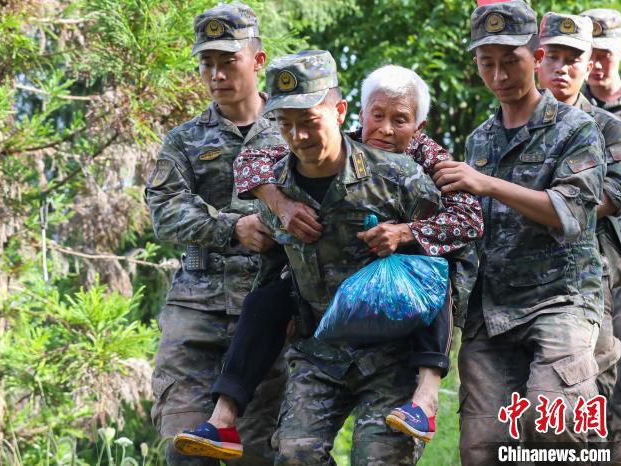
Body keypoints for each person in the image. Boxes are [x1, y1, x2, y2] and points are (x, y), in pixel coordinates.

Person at [173, 64, 481, 460]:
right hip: (324, 329)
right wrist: (279, 204)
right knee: (266, 299)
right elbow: (249, 163)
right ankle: (222, 417)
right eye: (378, 116)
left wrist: (405, 233)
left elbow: (468, 220)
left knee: (436, 269)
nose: (386, 129)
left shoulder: (423, 162)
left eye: (400, 120)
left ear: (418, 126)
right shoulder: (329, 148)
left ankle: (426, 394)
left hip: (405, 306)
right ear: (358, 113)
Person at [253, 49, 453, 465]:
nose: (299, 136)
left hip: (391, 356)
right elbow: (272, 265)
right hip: (318, 352)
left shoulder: (399, 175)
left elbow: (450, 256)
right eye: (285, 124)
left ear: (340, 112)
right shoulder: (274, 187)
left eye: (308, 121)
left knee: (379, 458)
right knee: (294, 455)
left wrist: (430, 369)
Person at [432, 2, 606, 464]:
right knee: (484, 450)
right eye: (488, 63)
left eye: (510, 60)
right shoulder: (478, 141)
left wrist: (485, 183)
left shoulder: (577, 128)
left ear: (536, 54)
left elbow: (570, 211)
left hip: (560, 302)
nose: (500, 74)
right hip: (491, 313)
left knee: (556, 429)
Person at [144, 3, 286, 465]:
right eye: (207, 63)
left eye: (229, 62)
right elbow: (164, 212)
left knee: (264, 452)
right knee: (185, 451)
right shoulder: (184, 141)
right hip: (196, 317)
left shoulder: (294, 132)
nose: (216, 75)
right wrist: (232, 227)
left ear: (258, 61)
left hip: (270, 317)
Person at [536, 7, 621, 406]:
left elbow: (612, 196)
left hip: (600, 271)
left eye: (573, 59)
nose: (562, 69)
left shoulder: (605, 126)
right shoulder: (507, 123)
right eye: (552, 57)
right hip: (524, 279)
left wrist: (554, 205)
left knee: (602, 388)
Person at [580, 8, 621, 461]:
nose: (595, 64)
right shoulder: (567, 114)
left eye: (604, 55)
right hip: (593, 262)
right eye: (587, 54)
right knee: (597, 368)